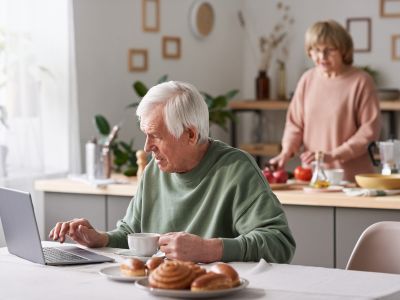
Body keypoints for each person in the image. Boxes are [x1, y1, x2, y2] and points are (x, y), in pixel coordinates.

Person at [50, 81, 295, 263]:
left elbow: (279, 243)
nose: (146, 147)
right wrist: (100, 239)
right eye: (145, 135)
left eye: (155, 135)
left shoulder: (236, 169)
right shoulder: (154, 172)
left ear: (190, 134)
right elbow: (131, 234)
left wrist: (211, 249)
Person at [270, 20, 381, 181]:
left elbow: (368, 132)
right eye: (316, 50)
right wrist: (285, 154)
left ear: (343, 50)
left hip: (352, 180)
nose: (322, 57)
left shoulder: (361, 81)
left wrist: (332, 155)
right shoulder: (307, 79)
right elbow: (295, 125)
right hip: (313, 178)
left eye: (329, 50)